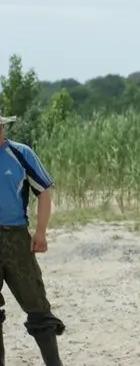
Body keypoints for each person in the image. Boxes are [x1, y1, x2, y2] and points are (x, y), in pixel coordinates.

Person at [0, 112, 65, 366]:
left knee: (37, 304)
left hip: (16, 239)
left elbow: (44, 192)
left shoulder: (21, 153)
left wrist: (40, 231)